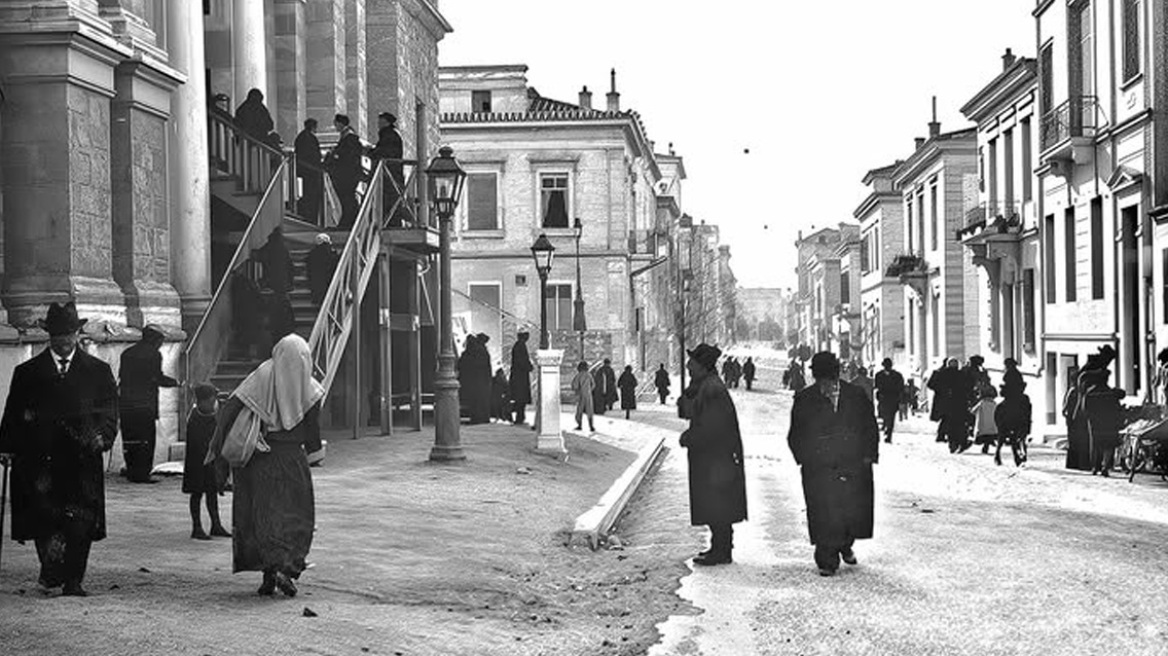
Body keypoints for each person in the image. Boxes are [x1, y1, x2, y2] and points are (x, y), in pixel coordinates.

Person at [0, 302, 119, 597]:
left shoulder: (97, 371)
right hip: (40, 462)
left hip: (82, 461)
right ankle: (52, 570)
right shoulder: (28, 372)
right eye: (57, 335)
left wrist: (104, 437)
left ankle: (74, 580)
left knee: (80, 522)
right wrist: (5, 446)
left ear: (77, 334)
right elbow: (14, 412)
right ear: (49, 337)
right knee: (45, 519)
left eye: (68, 334)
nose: (64, 341)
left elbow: (110, 411)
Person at [206, 334, 323, 598]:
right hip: (292, 460)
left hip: (259, 461)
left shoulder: (259, 377)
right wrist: (315, 453)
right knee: (297, 516)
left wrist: (218, 454)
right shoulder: (311, 389)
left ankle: (269, 573)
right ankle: (286, 568)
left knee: (263, 514)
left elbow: (229, 411)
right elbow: (313, 435)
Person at [787, 351, 879, 577]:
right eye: (820, 381)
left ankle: (845, 544)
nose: (824, 387)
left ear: (836, 377)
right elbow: (795, 435)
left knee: (851, 511)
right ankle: (826, 559)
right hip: (819, 467)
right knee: (823, 511)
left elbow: (870, 427)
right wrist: (805, 459)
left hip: (852, 464)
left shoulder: (856, 396)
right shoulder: (805, 399)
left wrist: (869, 455)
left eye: (828, 381)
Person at [678, 343, 747, 566]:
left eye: (692, 363)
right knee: (715, 504)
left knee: (718, 504)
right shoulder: (705, 385)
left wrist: (689, 438)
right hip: (713, 457)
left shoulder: (713, 389)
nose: (688, 366)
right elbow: (687, 412)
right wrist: (690, 390)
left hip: (717, 458)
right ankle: (720, 547)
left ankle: (722, 550)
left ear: (702, 366)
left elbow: (712, 427)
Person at [119, 325, 179, 483]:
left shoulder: (127, 353)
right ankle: (143, 473)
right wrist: (176, 383)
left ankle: (132, 470)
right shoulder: (154, 355)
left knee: (130, 439)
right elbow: (157, 378)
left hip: (127, 403)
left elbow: (122, 378)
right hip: (145, 404)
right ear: (155, 340)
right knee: (146, 440)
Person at [183, 384, 230, 540]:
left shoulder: (211, 414)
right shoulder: (195, 418)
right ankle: (196, 527)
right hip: (197, 461)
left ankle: (215, 525)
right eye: (210, 401)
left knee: (212, 492)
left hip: (210, 461)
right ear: (201, 401)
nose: (212, 404)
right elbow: (198, 443)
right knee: (197, 493)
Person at [1080, 368, 1125, 476]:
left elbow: (1084, 408)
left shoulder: (1090, 392)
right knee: (1109, 445)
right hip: (1109, 422)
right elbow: (1117, 405)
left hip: (1095, 422)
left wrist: (1090, 417)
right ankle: (1105, 466)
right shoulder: (1111, 392)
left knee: (1096, 444)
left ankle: (1095, 467)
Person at [325, 114, 364, 230]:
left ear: (340, 123)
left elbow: (348, 156)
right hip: (347, 174)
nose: (335, 126)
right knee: (347, 198)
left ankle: (349, 222)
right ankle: (350, 221)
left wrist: (335, 154)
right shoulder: (347, 136)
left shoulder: (350, 137)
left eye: (336, 123)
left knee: (347, 198)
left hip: (347, 174)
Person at [368, 111, 405, 225]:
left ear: (386, 122)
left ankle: (388, 222)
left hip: (389, 173)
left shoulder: (389, 135)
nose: (378, 123)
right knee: (387, 200)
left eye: (380, 121)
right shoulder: (390, 134)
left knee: (388, 200)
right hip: (390, 173)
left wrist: (372, 152)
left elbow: (385, 151)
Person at [929, 358, 970, 453]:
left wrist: (942, 391)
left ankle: (953, 443)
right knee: (958, 424)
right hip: (958, 404)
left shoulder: (941, 373)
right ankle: (959, 442)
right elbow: (968, 387)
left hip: (947, 404)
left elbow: (931, 384)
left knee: (951, 424)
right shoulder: (961, 374)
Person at [995, 381, 1032, 467]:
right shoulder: (1019, 398)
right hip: (1010, 419)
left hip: (1019, 420)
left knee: (1015, 438)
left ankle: (1017, 456)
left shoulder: (1024, 398)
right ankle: (1000, 455)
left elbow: (1028, 412)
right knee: (1007, 438)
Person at [457, 335, 492, 424]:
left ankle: (476, 418)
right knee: (481, 401)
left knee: (475, 402)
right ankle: (482, 418)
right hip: (482, 381)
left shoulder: (469, 353)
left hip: (472, 382)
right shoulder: (482, 351)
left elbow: (461, 365)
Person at [294, 118, 324, 223]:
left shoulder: (300, 137)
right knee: (313, 198)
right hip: (312, 171)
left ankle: (306, 217)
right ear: (313, 126)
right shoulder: (311, 138)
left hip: (302, 171)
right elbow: (315, 155)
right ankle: (313, 220)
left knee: (305, 196)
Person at [873, 358, 904, 444]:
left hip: (893, 399)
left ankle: (889, 434)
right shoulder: (878, 375)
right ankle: (886, 426)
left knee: (891, 416)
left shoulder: (897, 375)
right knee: (884, 415)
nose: (887, 367)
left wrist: (901, 400)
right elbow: (877, 386)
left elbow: (901, 388)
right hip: (883, 399)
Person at [305, 233, 339, 306]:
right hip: (328, 281)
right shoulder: (331, 253)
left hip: (316, 283)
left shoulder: (312, 254)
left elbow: (309, 268)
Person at [509, 331, 534, 425]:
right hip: (520, 377)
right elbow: (522, 361)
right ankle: (519, 417)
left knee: (520, 399)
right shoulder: (520, 346)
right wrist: (529, 367)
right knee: (520, 398)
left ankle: (520, 416)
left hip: (519, 376)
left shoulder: (518, 345)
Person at [970, 387, 999, 455]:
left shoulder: (981, 403)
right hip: (993, 430)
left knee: (982, 436)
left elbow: (973, 411)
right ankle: (987, 445)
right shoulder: (995, 404)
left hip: (982, 429)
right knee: (989, 437)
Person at [571, 361, 596, 432]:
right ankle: (591, 426)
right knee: (590, 410)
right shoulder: (589, 375)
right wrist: (589, 390)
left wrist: (577, 391)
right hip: (588, 394)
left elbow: (574, 385)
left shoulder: (578, 375)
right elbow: (593, 384)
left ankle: (580, 425)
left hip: (581, 394)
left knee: (579, 411)